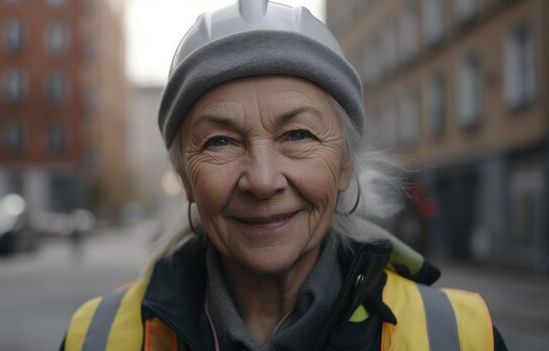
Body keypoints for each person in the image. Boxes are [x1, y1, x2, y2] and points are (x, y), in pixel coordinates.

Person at [61, 1, 508, 350]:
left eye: (297, 134)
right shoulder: (96, 337)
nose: (263, 179)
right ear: (184, 175)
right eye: (220, 141)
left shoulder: (463, 336)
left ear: (345, 165)